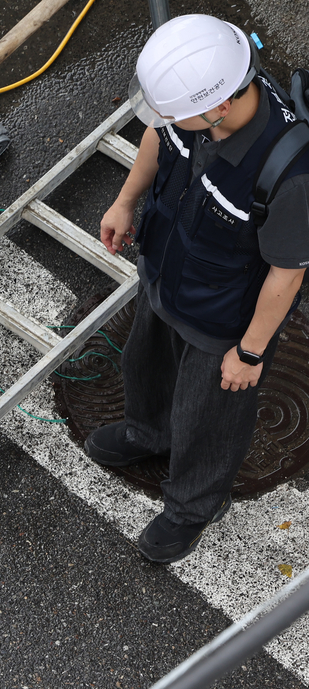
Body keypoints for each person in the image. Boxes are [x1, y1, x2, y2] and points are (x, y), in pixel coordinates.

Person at [93, 14, 309, 564]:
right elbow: (156, 139)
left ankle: (192, 505)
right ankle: (147, 433)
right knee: (144, 363)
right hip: (165, 278)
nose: (169, 120)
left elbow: (287, 273)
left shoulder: (290, 174)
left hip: (224, 321)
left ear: (220, 105)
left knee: (209, 415)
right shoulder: (193, 113)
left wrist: (251, 351)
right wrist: (124, 202)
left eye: (179, 113)